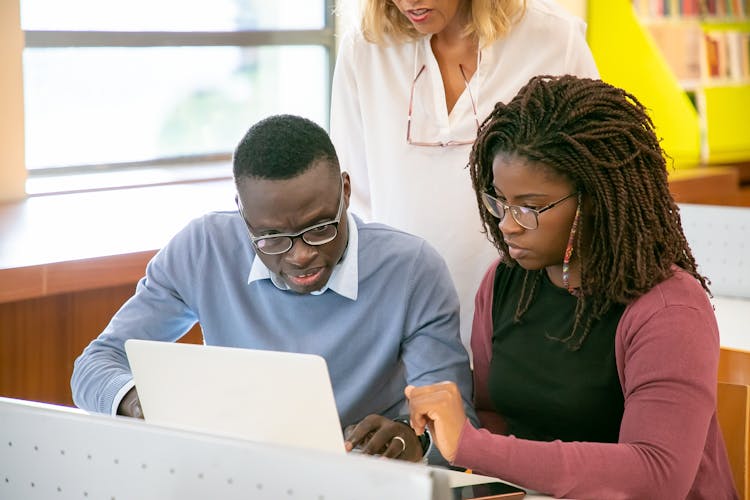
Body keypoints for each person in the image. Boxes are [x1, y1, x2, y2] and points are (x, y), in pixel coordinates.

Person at [404, 75, 738, 498]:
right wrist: (420, 432)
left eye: (530, 207)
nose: (507, 224)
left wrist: (473, 446)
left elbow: (656, 475)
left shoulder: (670, 309)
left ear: (595, 198)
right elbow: (492, 411)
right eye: (498, 201)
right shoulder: (505, 283)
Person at [71, 114, 475, 463]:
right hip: (233, 473)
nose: (299, 255)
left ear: (346, 192)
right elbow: (93, 366)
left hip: (363, 481)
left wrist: (413, 441)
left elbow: (458, 426)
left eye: (319, 228)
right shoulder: (203, 249)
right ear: (242, 213)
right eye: (271, 237)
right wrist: (147, 406)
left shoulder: (411, 269)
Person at [330, 0, 600, 348]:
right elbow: (356, 207)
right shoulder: (364, 49)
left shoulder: (553, 40)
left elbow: (597, 184)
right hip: (404, 323)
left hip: (532, 321)